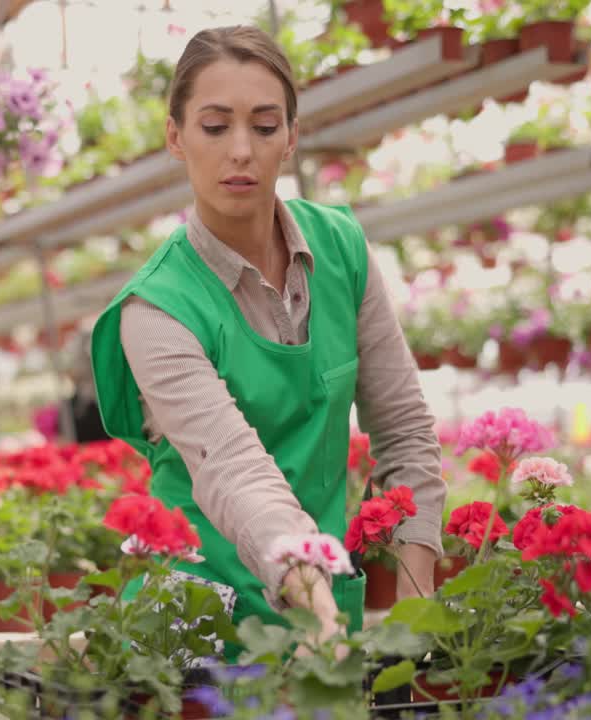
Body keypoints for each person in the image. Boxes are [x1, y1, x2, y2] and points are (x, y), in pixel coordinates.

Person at [89, 26, 446, 650]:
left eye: (264, 124)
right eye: (215, 125)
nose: (241, 150)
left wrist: (419, 611)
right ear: (176, 137)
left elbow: (404, 429)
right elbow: (232, 469)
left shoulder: (342, 250)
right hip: (198, 626)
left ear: (292, 137)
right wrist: (313, 604)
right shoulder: (156, 307)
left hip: (321, 611)